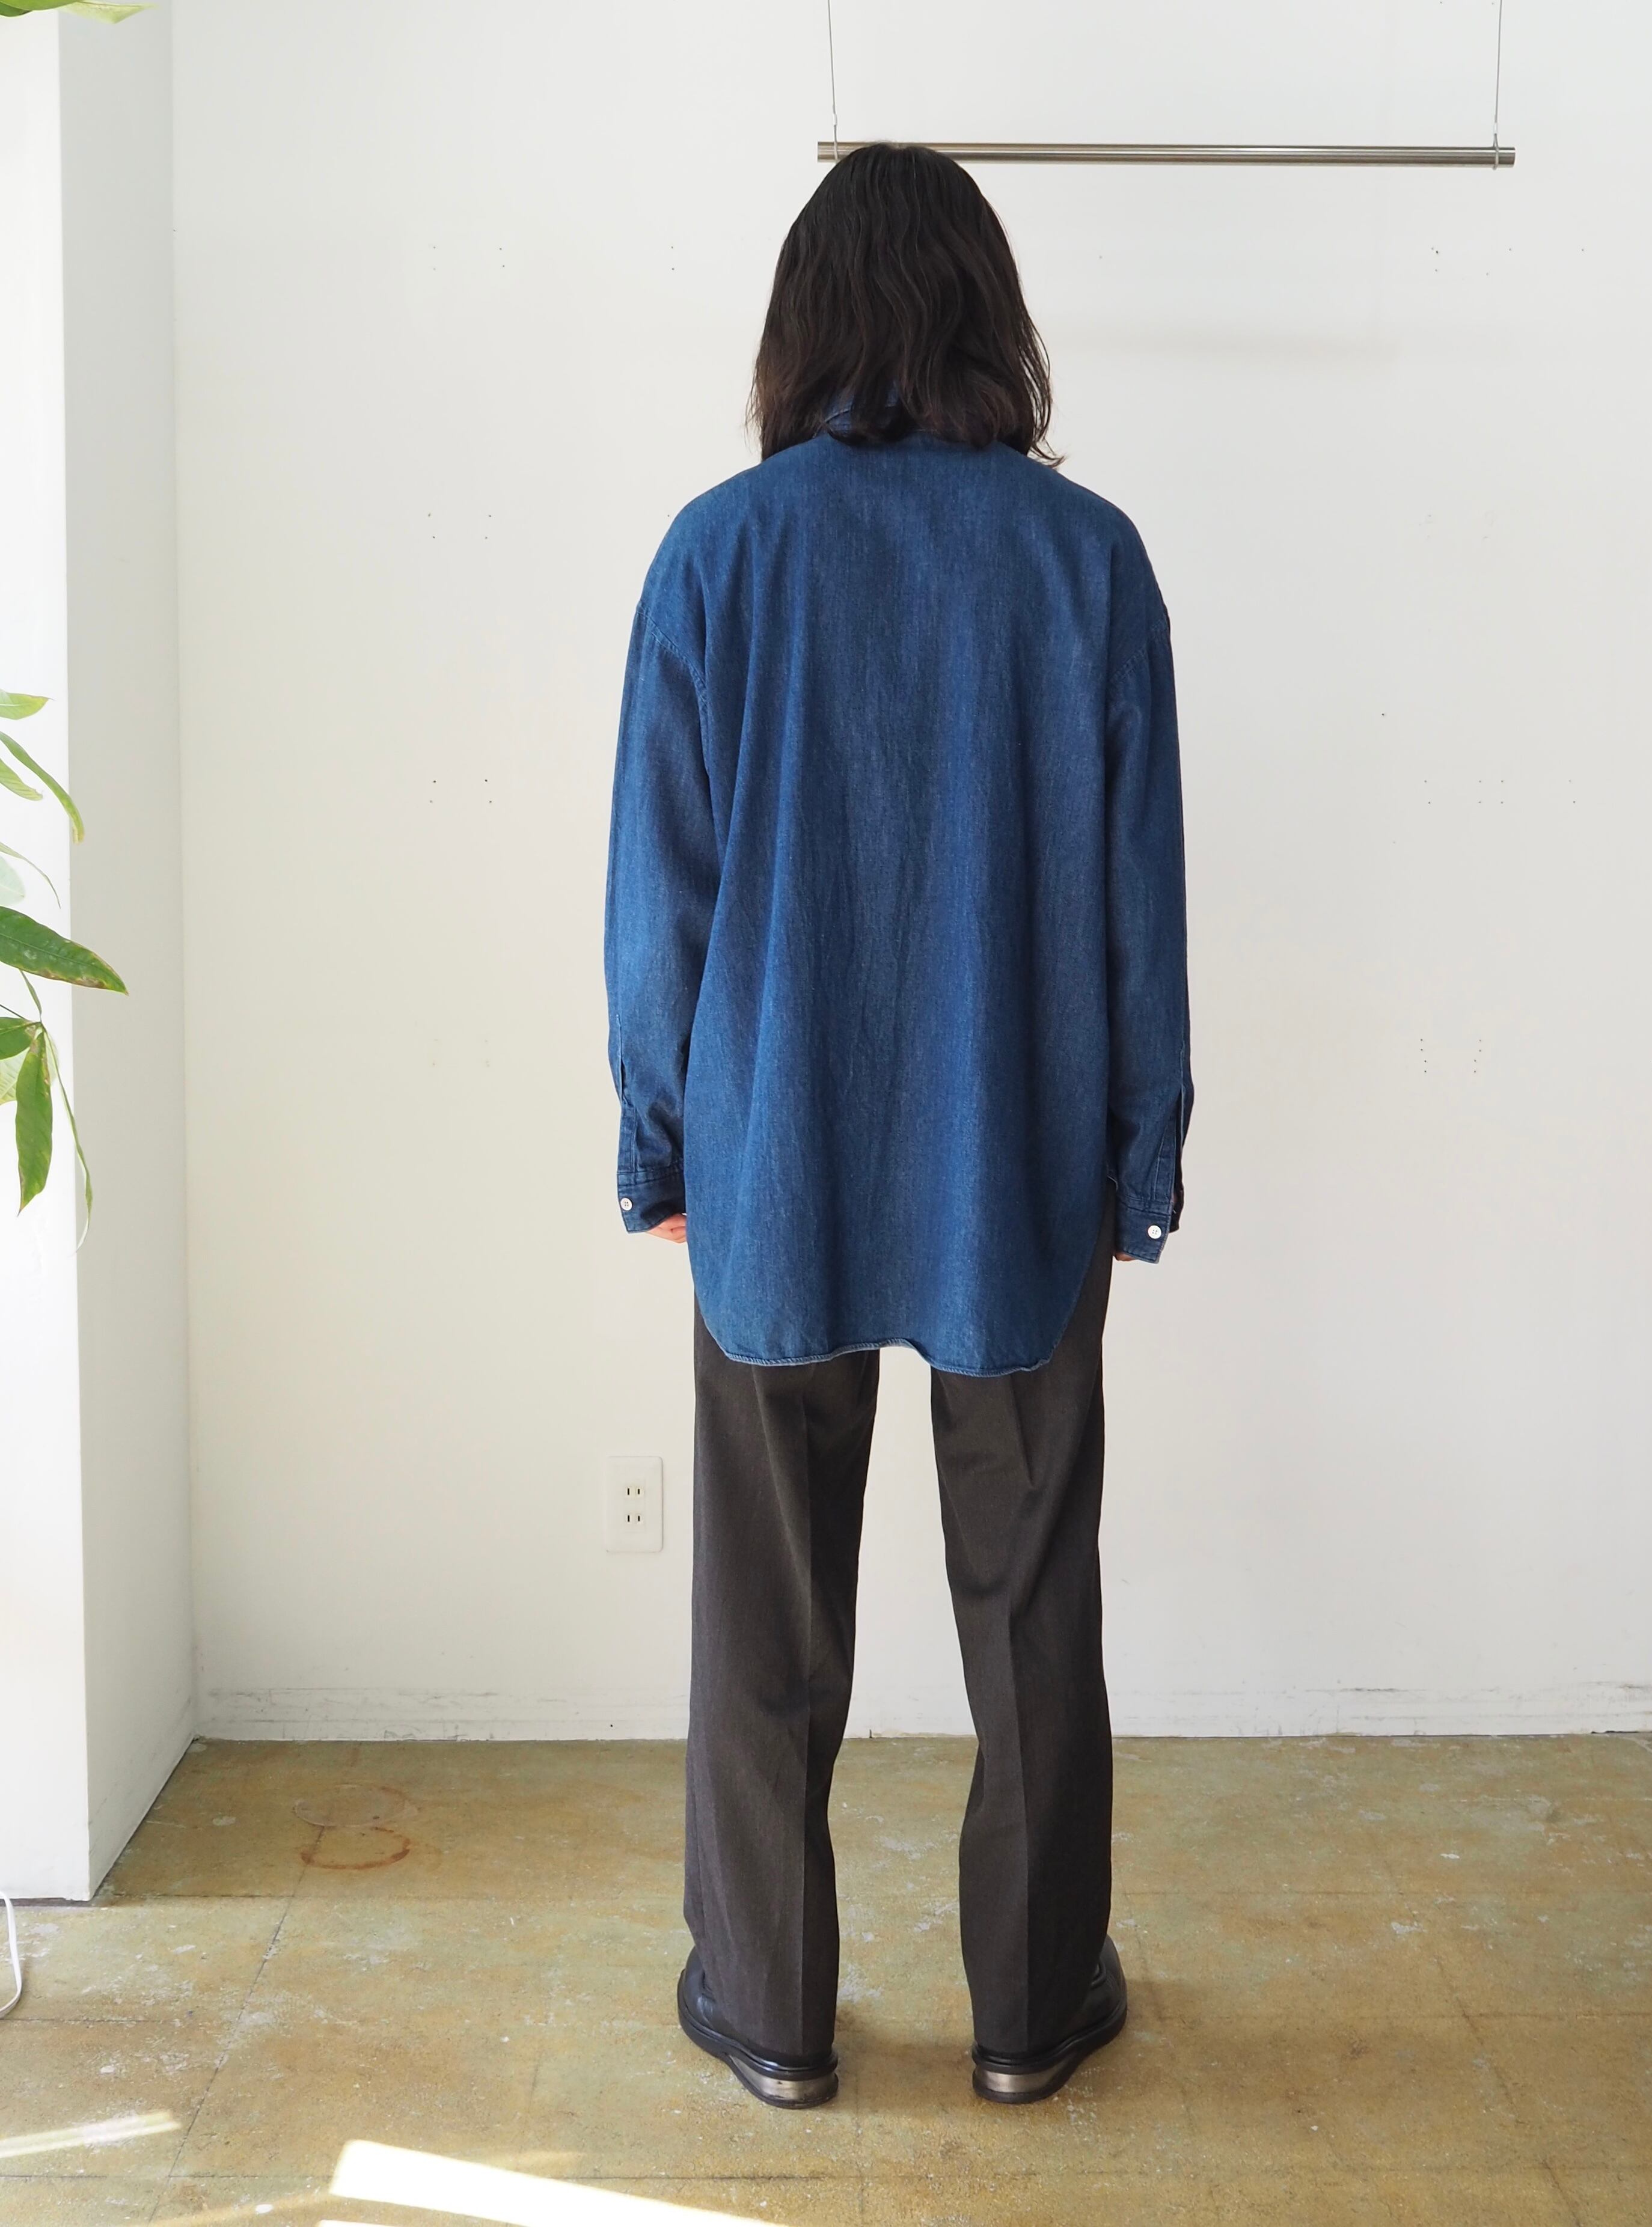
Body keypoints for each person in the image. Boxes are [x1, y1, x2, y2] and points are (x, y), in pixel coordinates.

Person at [603, 142, 1191, 2110]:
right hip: (1009, 1161)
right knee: (1030, 1600)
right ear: (987, 319)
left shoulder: (714, 556)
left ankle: (767, 2005)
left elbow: (659, 898)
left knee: (764, 1615)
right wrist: (1136, 1153)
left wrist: (660, 1143)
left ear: (804, 328)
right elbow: (1136, 901)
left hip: (772, 1156)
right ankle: (1029, 2011)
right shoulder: (1085, 560)